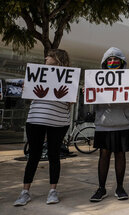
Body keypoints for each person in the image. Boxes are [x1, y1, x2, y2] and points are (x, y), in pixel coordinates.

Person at [14, 49, 72, 206]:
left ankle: (53, 191)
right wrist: (28, 88)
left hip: (58, 121)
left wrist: (66, 95)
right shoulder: (38, 74)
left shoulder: (69, 77)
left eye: (50, 56)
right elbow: (29, 97)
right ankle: (25, 192)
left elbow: (70, 103)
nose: (46, 58)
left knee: (54, 155)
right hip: (35, 119)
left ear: (58, 59)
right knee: (33, 155)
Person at [89, 47, 129, 202]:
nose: (113, 62)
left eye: (116, 60)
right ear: (105, 63)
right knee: (103, 156)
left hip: (123, 123)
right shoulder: (97, 77)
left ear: (122, 62)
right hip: (104, 124)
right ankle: (101, 188)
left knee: (120, 155)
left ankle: (120, 187)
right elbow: (92, 102)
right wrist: (88, 93)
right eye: (110, 60)